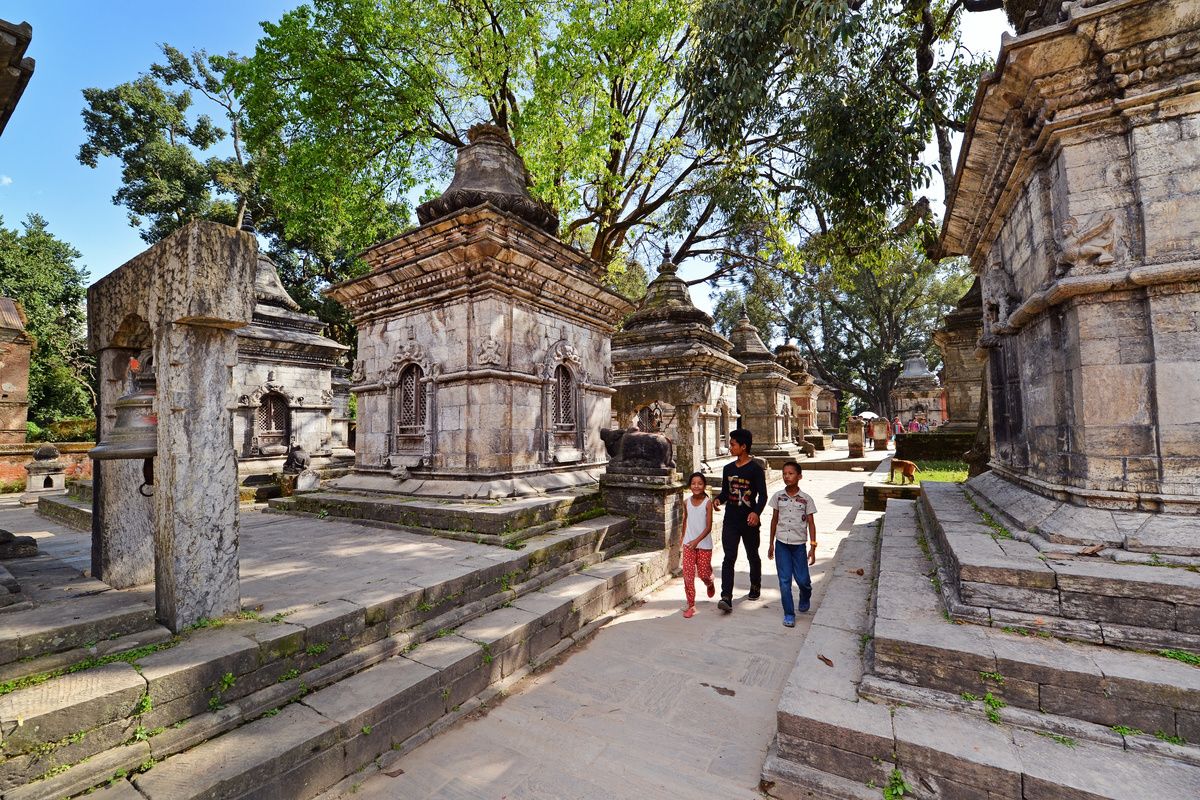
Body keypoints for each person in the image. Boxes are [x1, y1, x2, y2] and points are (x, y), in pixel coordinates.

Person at [712, 428, 768, 613]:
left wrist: (756, 513)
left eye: (733, 444)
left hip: (749, 521)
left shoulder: (756, 469)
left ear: (743, 447)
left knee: (752, 554)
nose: (730, 447)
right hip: (731, 520)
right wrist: (718, 499)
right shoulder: (728, 469)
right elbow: (725, 493)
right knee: (729, 557)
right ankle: (726, 596)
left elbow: (763, 496)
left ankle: (755, 584)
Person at [767, 461, 817, 627]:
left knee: (803, 580)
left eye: (791, 473)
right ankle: (789, 613)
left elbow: (811, 523)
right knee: (784, 580)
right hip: (781, 544)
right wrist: (771, 543)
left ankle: (805, 594)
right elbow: (774, 520)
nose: (787, 476)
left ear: (799, 476)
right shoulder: (778, 497)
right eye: (784, 473)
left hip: (799, 546)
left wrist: (813, 546)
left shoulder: (806, 499)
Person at [679, 472, 715, 619]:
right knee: (687, 576)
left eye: (700, 483)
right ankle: (691, 605)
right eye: (693, 483)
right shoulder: (686, 502)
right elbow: (685, 520)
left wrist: (696, 541)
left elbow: (708, 527)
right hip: (688, 544)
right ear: (690, 486)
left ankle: (710, 582)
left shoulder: (708, 503)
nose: (696, 486)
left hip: (704, 545)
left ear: (704, 486)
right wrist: (683, 538)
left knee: (703, 574)